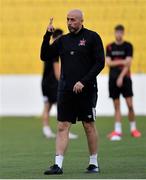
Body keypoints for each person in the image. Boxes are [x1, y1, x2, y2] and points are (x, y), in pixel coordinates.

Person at [40, 9, 105, 174]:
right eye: (68, 19)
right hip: (66, 91)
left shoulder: (92, 37)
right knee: (62, 126)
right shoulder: (63, 40)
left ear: (82, 20)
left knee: (88, 125)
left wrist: (83, 81)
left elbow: (100, 63)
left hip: (87, 90)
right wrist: (47, 36)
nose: (69, 22)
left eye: (73, 20)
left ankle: (93, 163)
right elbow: (44, 55)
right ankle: (58, 165)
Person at [106, 24, 141, 141]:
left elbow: (128, 63)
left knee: (130, 105)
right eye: (117, 32)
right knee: (116, 106)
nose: (119, 34)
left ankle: (133, 129)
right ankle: (118, 130)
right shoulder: (110, 47)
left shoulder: (128, 46)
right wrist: (123, 61)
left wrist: (121, 76)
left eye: (121, 32)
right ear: (115, 33)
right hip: (112, 79)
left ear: (123, 33)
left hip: (125, 79)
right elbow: (109, 63)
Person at [41, 28, 78, 139]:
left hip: (45, 82)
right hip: (53, 83)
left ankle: (46, 129)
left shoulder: (48, 50)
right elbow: (57, 72)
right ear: (57, 38)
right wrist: (66, 83)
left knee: (48, 105)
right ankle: (63, 131)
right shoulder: (55, 52)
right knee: (62, 107)